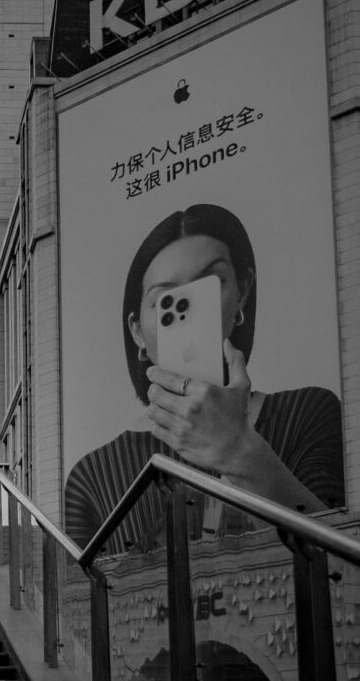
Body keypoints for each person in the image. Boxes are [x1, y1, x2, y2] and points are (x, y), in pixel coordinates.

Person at [64, 203, 344, 554]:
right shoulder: (93, 476)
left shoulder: (308, 413)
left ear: (242, 291)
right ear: (137, 330)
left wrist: (239, 451)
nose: (191, 308)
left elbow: (344, 576)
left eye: (209, 285)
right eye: (168, 300)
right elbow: (83, 602)